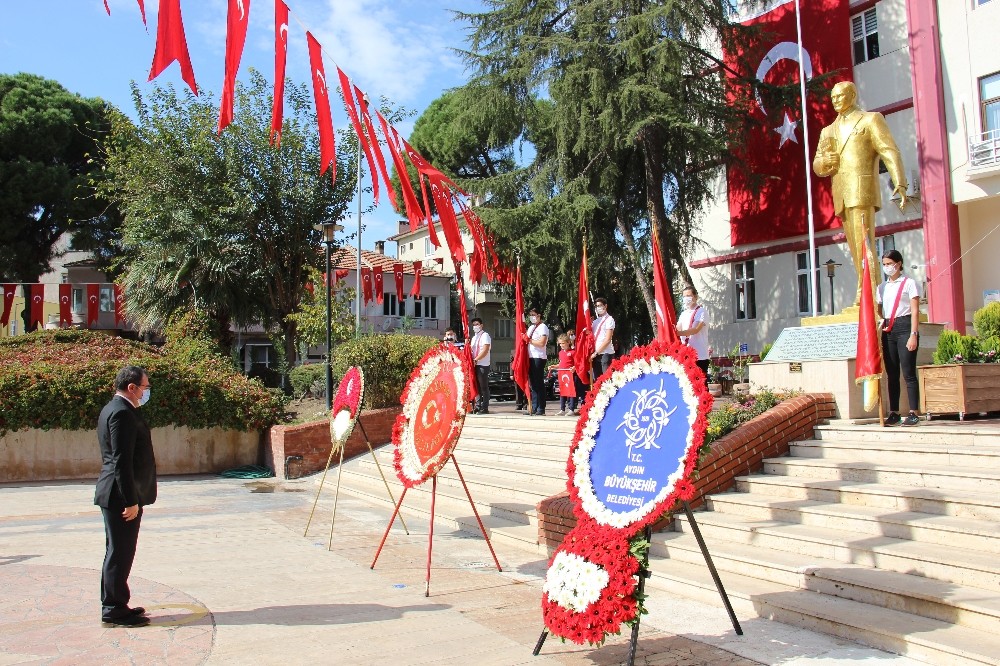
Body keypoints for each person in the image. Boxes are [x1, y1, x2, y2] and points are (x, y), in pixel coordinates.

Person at [813, 81, 909, 307]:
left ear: (853, 95)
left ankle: (867, 293)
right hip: (842, 193)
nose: (836, 100)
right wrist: (825, 162)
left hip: (862, 189)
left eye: (840, 96)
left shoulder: (870, 119)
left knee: (864, 243)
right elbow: (817, 163)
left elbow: (888, 150)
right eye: (833, 97)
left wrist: (900, 182)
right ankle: (867, 290)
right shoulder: (828, 130)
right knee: (856, 247)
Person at [95, 365, 157, 627]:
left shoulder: (116, 409)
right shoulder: (121, 413)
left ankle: (117, 603)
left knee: (118, 551)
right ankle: (113, 609)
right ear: (131, 388)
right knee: (120, 552)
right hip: (120, 496)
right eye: (144, 387)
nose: (146, 392)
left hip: (118, 493)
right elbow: (121, 461)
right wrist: (131, 500)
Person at [877, 250, 921, 427]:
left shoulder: (909, 283)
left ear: (899, 263)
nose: (888, 267)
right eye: (885, 264)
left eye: (890, 263)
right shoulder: (881, 287)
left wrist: (913, 334)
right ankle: (894, 413)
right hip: (889, 330)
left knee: (908, 372)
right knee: (892, 374)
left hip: (905, 327)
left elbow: (916, 311)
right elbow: (879, 309)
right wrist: (881, 320)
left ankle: (913, 413)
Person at [676, 285, 710, 385]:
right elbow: (678, 327)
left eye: (689, 295)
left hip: (699, 355)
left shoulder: (701, 311)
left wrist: (679, 333)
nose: (686, 298)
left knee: (700, 384)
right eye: (684, 296)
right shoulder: (683, 314)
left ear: (695, 297)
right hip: (686, 354)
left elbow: (695, 330)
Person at [524, 307, 549, 415]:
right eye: (530, 315)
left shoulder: (543, 327)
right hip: (530, 356)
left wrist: (529, 340)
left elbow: (541, 343)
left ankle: (541, 407)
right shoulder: (531, 328)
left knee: (539, 383)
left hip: (538, 357)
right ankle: (534, 406)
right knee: (533, 384)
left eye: (534, 315)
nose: (532, 317)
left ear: (539, 316)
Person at [470, 317, 492, 415]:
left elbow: (485, 349)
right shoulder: (474, 338)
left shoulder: (485, 335)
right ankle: (477, 406)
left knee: (483, 386)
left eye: (477, 324)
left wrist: (476, 359)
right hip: (474, 364)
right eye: (474, 325)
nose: (475, 326)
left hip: (482, 364)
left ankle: (485, 407)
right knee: (476, 386)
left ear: (481, 325)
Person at [590, 297, 615, 379]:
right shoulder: (595, 322)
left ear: (605, 306)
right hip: (595, 355)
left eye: (600, 305)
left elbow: (607, 339)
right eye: (596, 306)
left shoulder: (609, 319)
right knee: (598, 380)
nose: (598, 308)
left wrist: (596, 353)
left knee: (606, 380)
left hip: (605, 353)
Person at [555, 333, 577, 416]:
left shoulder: (573, 352)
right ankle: (562, 409)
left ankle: (571, 409)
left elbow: (577, 363)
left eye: (563, 343)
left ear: (568, 342)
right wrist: (554, 366)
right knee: (562, 391)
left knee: (571, 391)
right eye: (560, 343)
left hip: (570, 374)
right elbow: (561, 363)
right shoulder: (561, 353)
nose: (561, 345)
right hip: (562, 374)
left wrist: (574, 368)